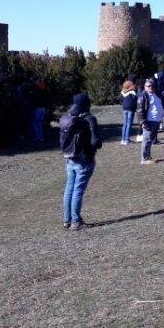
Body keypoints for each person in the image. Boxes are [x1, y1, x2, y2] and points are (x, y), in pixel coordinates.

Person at [60, 93, 102, 230]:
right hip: (84, 160)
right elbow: (95, 141)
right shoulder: (89, 119)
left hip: (70, 158)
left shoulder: (68, 118)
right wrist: (95, 146)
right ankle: (76, 221)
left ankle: (67, 220)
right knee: (78, 190)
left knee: (69, 189)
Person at [137, 78, 163, 164]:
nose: (150, 87)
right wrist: (143, 122)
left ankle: (148, 156)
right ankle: (144, 159)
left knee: (150, 140)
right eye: (148, 86)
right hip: (149, 121)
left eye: (152, 86)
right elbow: (140, 110)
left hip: (156, 120)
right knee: (146, 140)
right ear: (145, 87)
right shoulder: (143, 96)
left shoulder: (156, 94)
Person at [120, 80, 138, 145]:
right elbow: (135, 99)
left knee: (125, 124)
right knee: (129, 124)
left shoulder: (122, 92)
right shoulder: (132, 92)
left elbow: (121, 100)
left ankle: (123, 139)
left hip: (124, 109)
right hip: (131, 109)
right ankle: (127, 139)